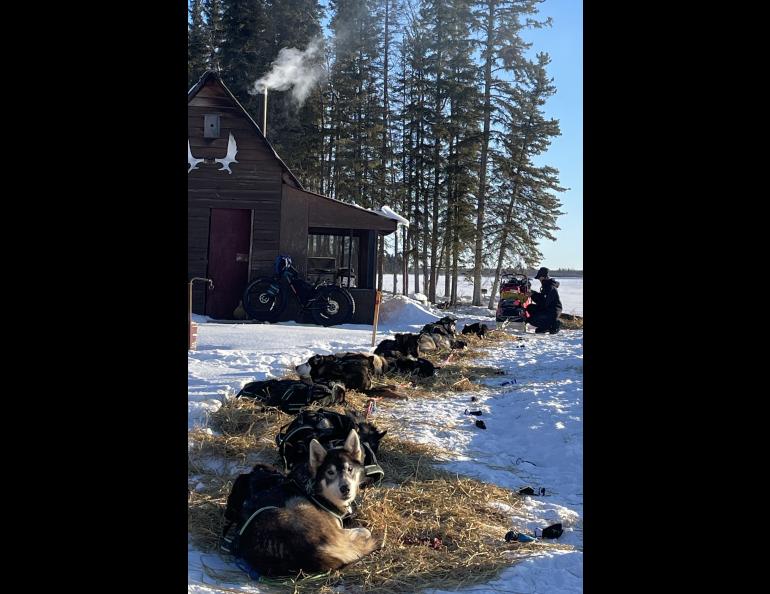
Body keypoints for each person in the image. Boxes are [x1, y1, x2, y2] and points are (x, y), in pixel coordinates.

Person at [526, 267, 562, 334]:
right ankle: (545, 326)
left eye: (540, 278)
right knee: (530, 307)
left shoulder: (550, 287)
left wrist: (533, 295)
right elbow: (542, 298)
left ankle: (553, 325)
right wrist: (533, 293)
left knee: (531, 320)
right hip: (548, 310)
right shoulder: (546, 285)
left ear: (544, 277)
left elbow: (544, 302)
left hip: (552, 312)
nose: (539, 280)